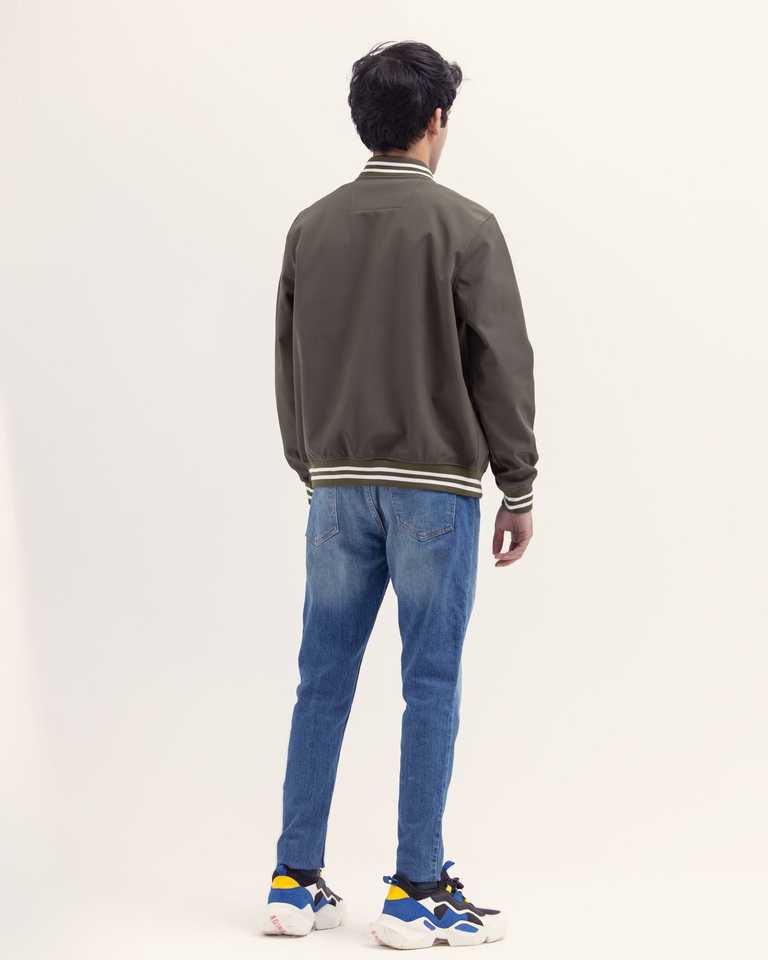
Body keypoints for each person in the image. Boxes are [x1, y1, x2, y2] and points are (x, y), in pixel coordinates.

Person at [264, 40, 538, 949]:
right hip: (434, 490)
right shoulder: (466, 225)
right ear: (437, 119)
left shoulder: (310, 227)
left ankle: (294, 881)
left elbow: (288, 358)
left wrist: (312, 466)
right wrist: (519, 483)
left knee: (321, 682)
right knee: (430, 685)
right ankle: (416, 892)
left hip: (336, 487)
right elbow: (501, 364)